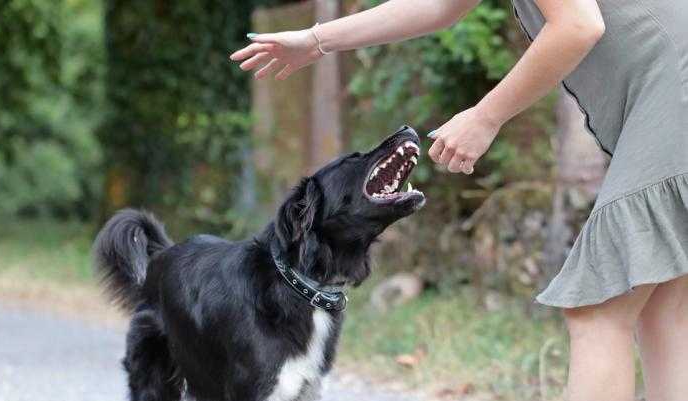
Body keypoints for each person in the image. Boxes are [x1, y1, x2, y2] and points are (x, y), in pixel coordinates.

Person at [230, 1, 688, 400]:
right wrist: (316, 40)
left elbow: (578, 25)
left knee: (596, 310)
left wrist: (486, 118)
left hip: (673, 95)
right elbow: (440, 5)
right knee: (664, 311)